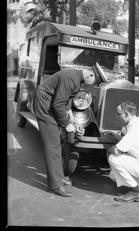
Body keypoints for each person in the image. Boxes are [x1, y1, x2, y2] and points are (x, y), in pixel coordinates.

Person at [33, 68, 95, 197]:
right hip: (45, 105)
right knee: (53, 146)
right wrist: (67, 125)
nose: (93, 84)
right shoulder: (72, 78)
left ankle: (59, 176)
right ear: (90, 75)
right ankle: (55, 186)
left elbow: (64, 97)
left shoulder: (76, 77)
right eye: (95, 81)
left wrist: (69, 112)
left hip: (50, 102)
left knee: (57, 145)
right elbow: (58, 104)